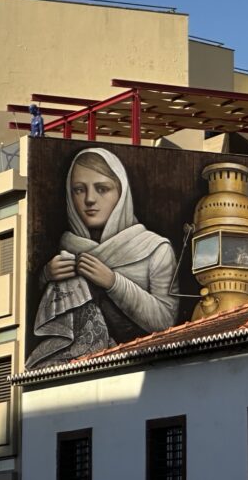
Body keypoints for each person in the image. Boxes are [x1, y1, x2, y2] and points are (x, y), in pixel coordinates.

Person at [26, 147, 179, 368]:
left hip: (144, 371)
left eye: (102, 189)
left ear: (121, 193)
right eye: (79, 190)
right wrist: (45, 276)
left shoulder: (156, 249)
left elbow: (166, 321)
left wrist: (113, 282)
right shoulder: (66, 247)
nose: (89, 199)